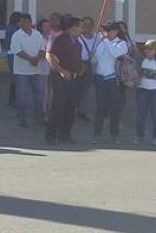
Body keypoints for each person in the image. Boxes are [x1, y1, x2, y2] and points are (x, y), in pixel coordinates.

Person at [45, 16, 84, 145]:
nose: (82, 29)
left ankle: (65, 135)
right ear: (73, 28)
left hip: (75, 78)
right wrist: (61, 70)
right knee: (58, 108)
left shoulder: (77, 41)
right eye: (80, 27)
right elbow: (49, 55)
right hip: (60, 78)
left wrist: (81, 67)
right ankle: (51, 136)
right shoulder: (59, 38)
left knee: (71, 108)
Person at [91, 22, 129, 143]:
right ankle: (97, 133)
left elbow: (116, 53)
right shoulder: (101, 44)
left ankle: (114, 134)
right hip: (100, 78)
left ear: (115, 31)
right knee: (100, 108)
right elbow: (95, 60)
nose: (105, 33)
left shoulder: (121, 44)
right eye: (104, 30)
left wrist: (107, 41)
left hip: (114, 79)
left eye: (108, 30)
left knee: (115, 108)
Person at [10, 13, 46, 128]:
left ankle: (39, 117)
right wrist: (31, 59)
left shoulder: (37, 34)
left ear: (31, 22)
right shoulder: (16, 35)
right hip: (21, 71)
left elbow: (42, 49)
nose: (24, 24)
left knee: (39, 95)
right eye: (22, 22)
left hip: (36, 70)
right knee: (21, 96)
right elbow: (18, 51)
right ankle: (21, 118)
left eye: (26, 21)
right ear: (19, 23)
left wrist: (37, 59)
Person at [135, 40, 156, 146]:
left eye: (151, 49)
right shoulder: (142, 61)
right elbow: (137, 73)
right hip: (142, 90)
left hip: (155, 90)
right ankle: (139, 135)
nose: (148, 52)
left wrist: (147, 74)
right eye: (147, 49)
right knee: (140, 115)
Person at [75, 17, 97, 121]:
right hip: (78, 64)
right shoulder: (77, 37)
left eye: (89, 24)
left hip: (90, 65)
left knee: (86, 90)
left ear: (92, 26)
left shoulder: (97, 38)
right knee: (75, 89)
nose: (86, 26)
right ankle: (73, 110)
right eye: (84, 24)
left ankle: (82, 111)